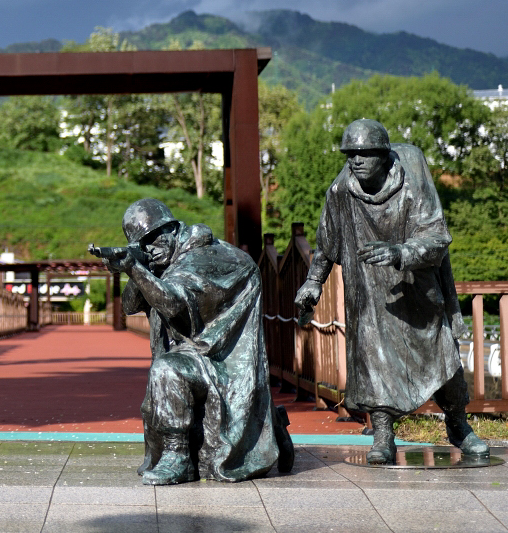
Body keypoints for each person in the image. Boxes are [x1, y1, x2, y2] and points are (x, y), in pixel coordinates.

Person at [295, 119, 487, 464]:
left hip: (417, 286)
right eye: (351, 154)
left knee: (442, 357)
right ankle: (383, 435)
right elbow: (326, 244)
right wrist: (313, 282)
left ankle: (458, 423)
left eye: (365, 154)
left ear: (383, 156)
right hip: (369, 293)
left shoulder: (412, 180)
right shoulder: (341, 192)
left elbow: (436, 237)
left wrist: (400, 253)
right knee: (372, 358)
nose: (356, 160)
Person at [97, 199, 293, 485]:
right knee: (167, 377)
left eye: (151, 239)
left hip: (221, 357)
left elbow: (173, 304)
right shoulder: (169, 258)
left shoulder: (209, 258)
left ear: (172, 229)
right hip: (201, 353)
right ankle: (273, 425)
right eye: (142, 244)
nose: (149, 248)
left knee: (168, 370)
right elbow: (129, 306)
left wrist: (135, 269)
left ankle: (178, 460)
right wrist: (136, 266)